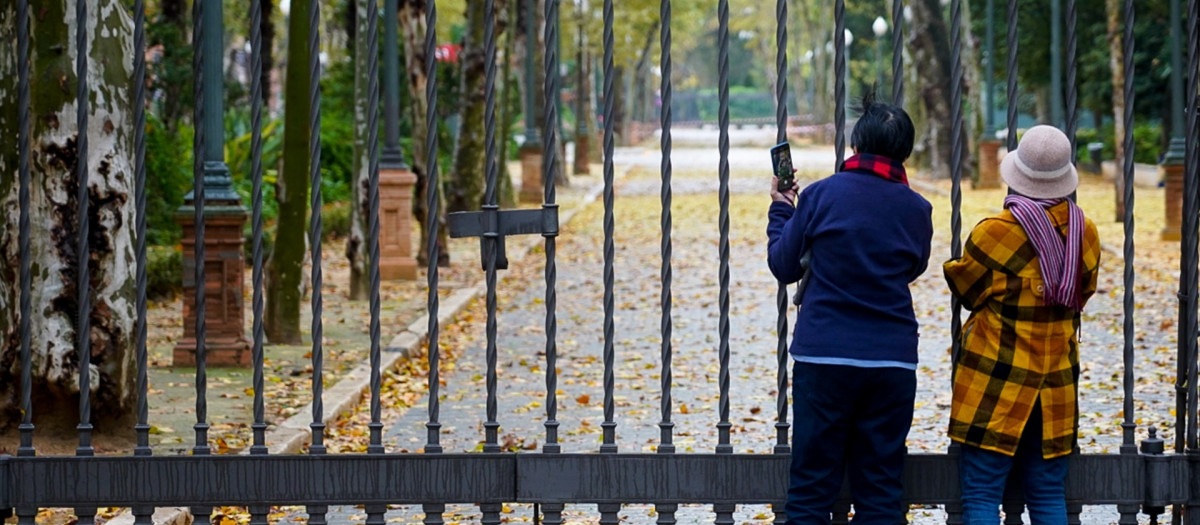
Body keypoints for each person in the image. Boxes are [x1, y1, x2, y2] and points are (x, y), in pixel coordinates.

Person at [767, 90, 933, 525]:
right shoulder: (918, 208)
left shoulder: (822, 196)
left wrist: (781, 210)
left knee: (809, 490)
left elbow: (783, 266)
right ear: (905, 152)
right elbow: (913, 266)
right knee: (880, 490)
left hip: (824, 356)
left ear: (857, 145)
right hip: (891, 361)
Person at [944, 125, 1100, 525]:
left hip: (996, 382)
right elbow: (1084, 291)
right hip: (1055, 387)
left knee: (981, 494)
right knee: (1048, 493)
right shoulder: (1084, 232)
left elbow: (966, 289)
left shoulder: (994, 233)